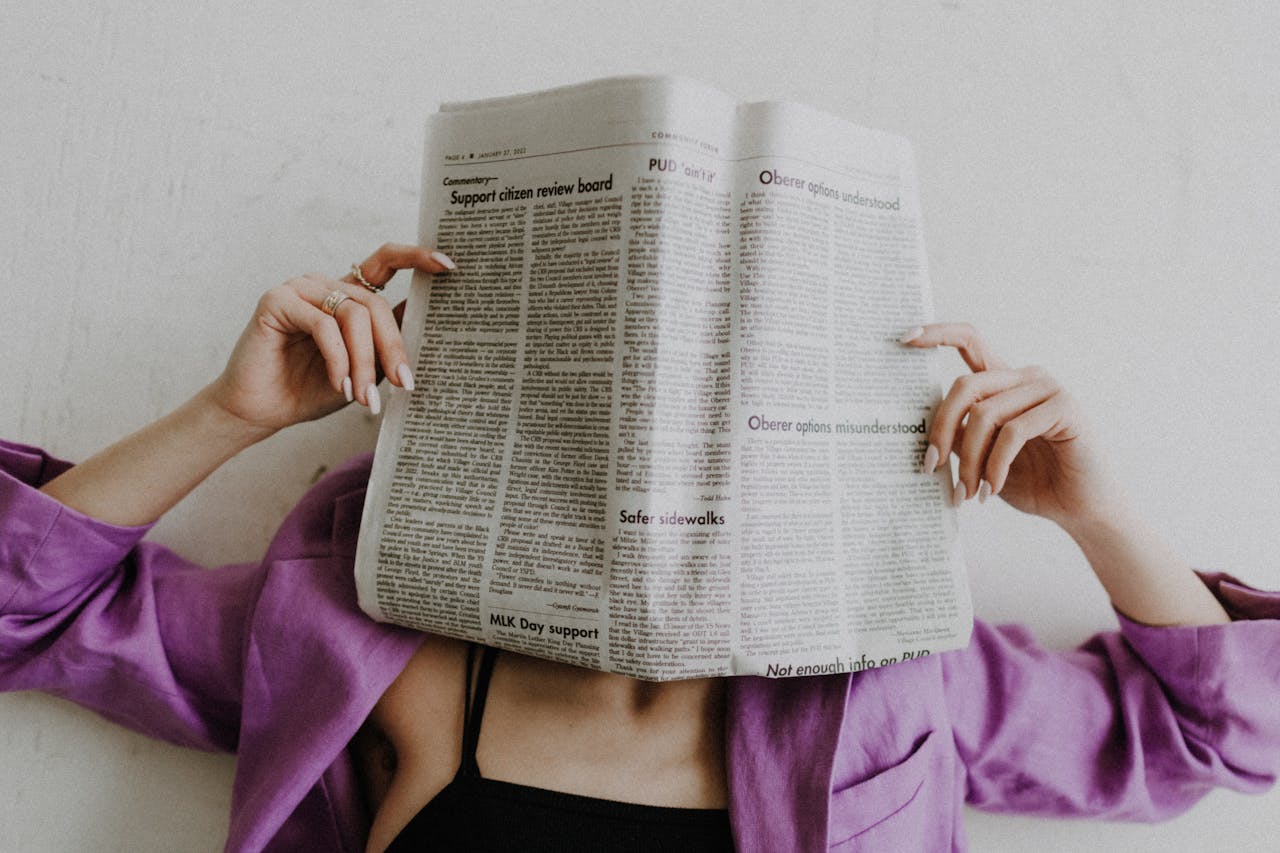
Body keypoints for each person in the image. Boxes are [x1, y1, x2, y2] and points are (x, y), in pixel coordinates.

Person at [3, 242, 1278, 853]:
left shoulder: (895, 682)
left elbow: (1229, 737)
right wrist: (233, 415)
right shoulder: (354, 637)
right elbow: (21, 611)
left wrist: (1092, 515)